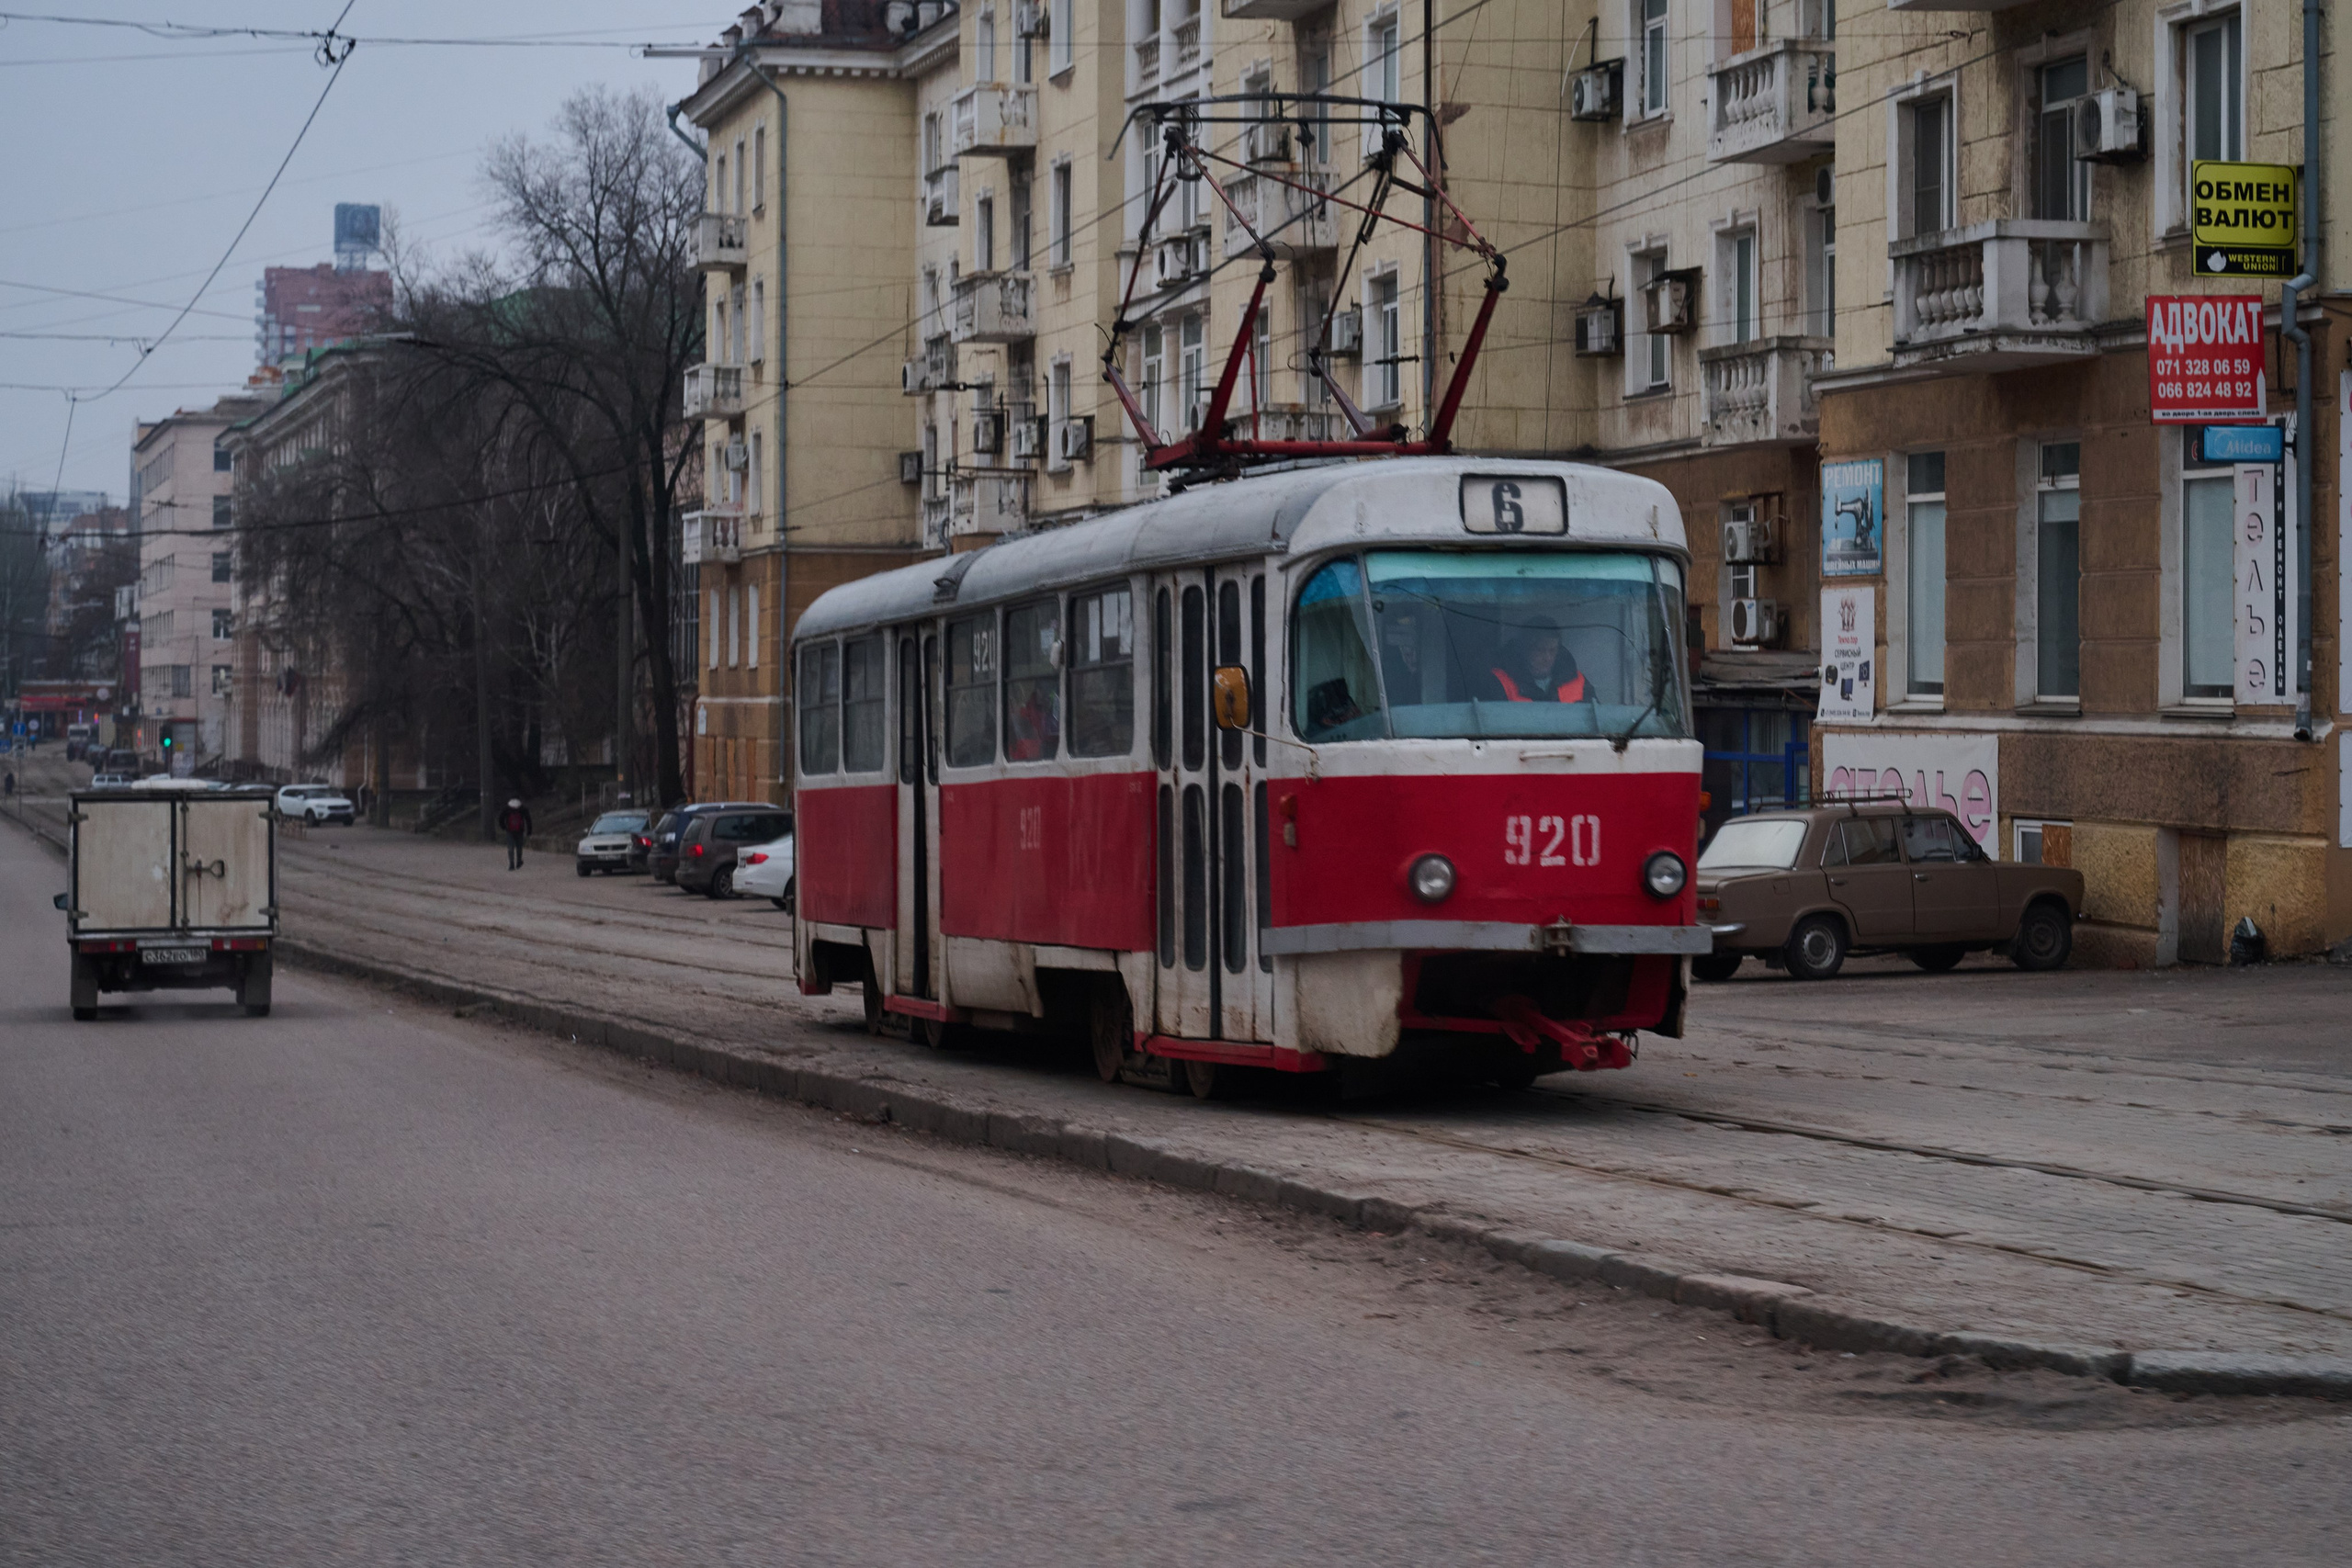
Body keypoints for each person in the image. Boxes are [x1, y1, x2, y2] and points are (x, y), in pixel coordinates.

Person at [1482, 612, 1592, 704]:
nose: (1547, 657)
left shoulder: (1578, 681)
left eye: (1552, 650)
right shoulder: (1500, 682)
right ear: (1524, 649)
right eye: (1540, 650)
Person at [500, 797, 533, 870]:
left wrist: (504, 827)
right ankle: (518, 861)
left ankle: (511, 864)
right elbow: (528, 820)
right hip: (520, 831)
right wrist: (529, 831)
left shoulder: (507, 808)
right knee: (519, 847)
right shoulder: (522, 808)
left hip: (509, 830)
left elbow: (501, 818)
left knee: (510, 847)